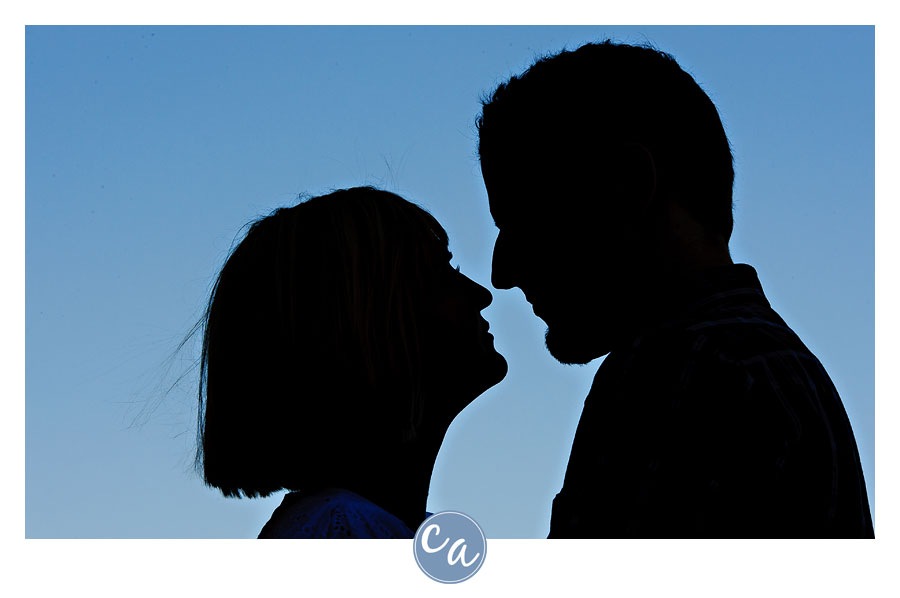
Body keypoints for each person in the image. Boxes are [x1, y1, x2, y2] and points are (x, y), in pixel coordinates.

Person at [476, 40, 873, 538]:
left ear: (627, 186)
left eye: (524, 220)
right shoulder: (771, 369)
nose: (502, 271)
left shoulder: (682, 367)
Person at [195, 186, 507, 538]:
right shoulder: (342, 529)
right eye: (443, 273)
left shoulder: (364, 527)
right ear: (367, 322)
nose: (481, 293)